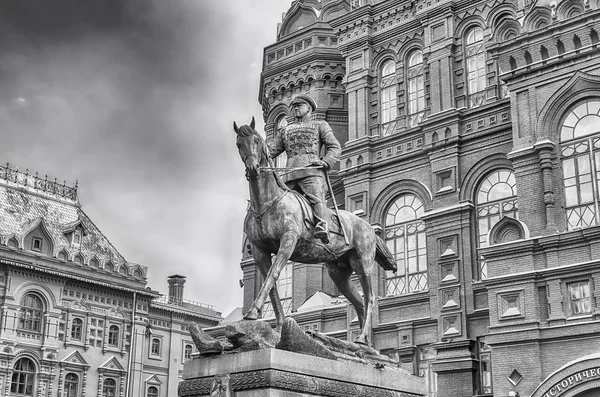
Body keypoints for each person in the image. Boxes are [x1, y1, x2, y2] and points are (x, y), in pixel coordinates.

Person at [268, 94, 341, 243]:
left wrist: (326, 161)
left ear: (309, 108)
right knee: (277, 202)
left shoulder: (320, 125)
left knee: (315, 196)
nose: (296, 109)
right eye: (294, 107)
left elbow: (335, 147)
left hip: (311, 172)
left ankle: (322, 225)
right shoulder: (285, 131)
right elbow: (271, 151)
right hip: (289, 175)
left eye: (299, 106)